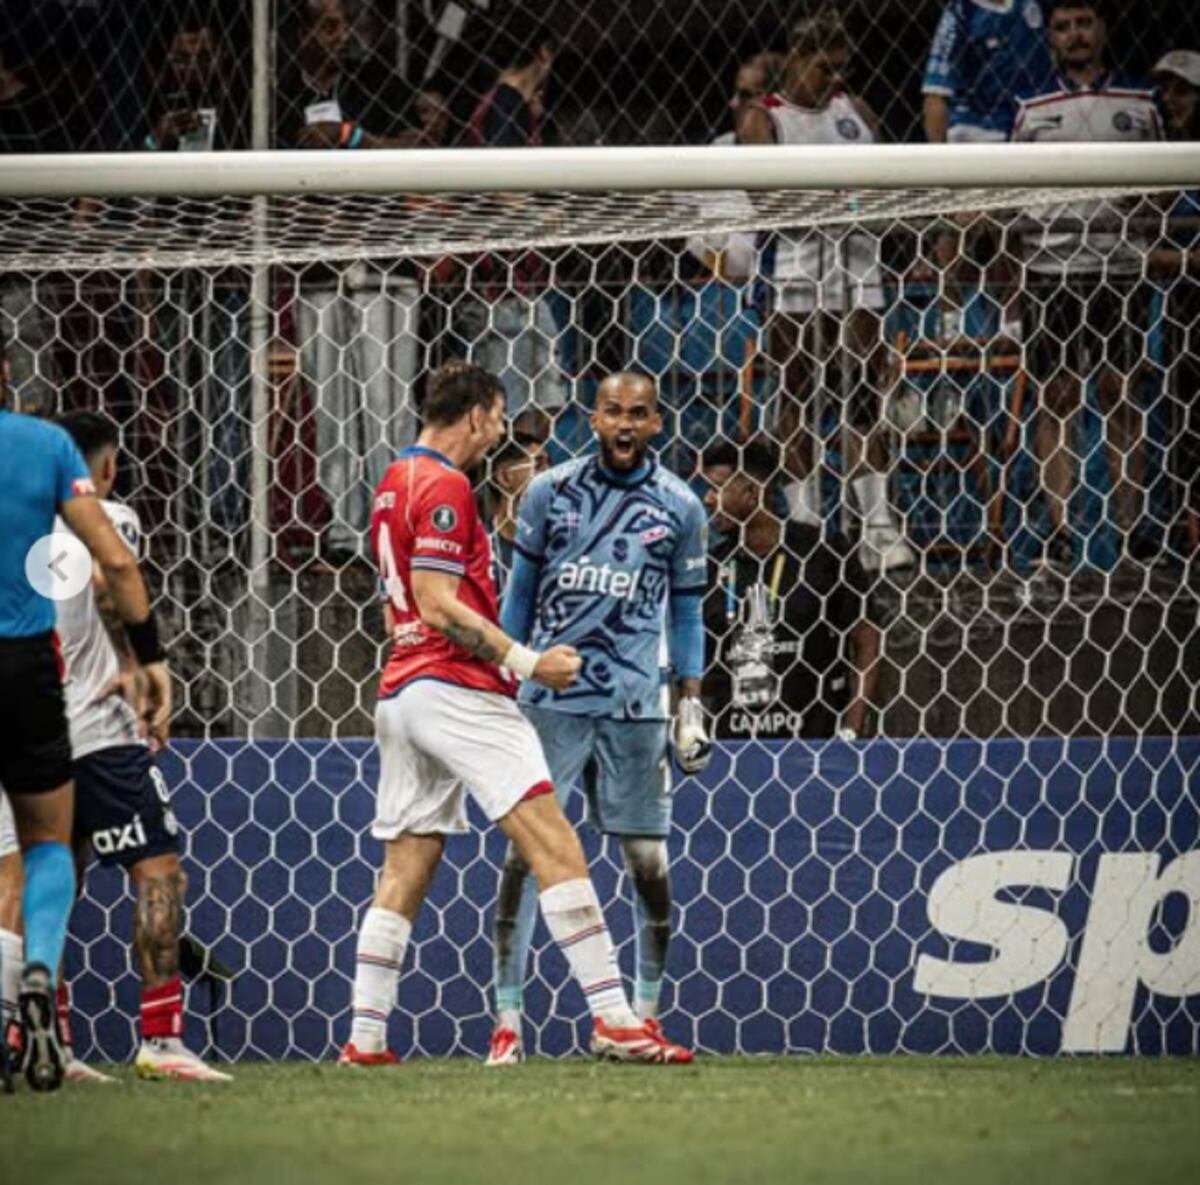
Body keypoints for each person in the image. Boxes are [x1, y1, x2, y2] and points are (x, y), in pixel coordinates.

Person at [342, 362, 692, 1067]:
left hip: (402, 691)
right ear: (475, 414)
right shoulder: (442, 484)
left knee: (406, 863)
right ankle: (616, 1018)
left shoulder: (392, 481)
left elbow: (405, 603)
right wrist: (529, 662)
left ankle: (365, 1038)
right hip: (456, 689)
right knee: (555, 840)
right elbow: (438, 600)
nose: (501, 433)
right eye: (500, 418)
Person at [485, 371, 711, 1066]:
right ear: (593, 416)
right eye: (612, 410)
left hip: (636, 707)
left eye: (637, 413)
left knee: (650, 864)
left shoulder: (679, 505)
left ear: (656, 423)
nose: (624, 423)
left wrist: (690, 699)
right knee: (524, 859)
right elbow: (518, 594)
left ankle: (640, 1017)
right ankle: (508, 1022)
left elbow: (686, 610)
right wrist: (504, 677)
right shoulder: (550, 493)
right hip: (549, 704)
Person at [0, 341, 164, 1091]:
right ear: (8, 378)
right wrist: (148, 657)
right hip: (28, 671)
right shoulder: (45, 445)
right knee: (46, 848)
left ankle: (18, 1021)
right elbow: (117, 565)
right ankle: (33, 978)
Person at [737, 9, 913, 574]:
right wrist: (841, 202)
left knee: (863, 396)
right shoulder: (764, 119)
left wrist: (843, 204)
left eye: (840, 68)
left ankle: (877, 527)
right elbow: (767, 205)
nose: (830, 80)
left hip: (860, 273)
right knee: (798, 398)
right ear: (793, 59)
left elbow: (884, 189)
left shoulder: (854, 111)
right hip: (792, 273)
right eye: (821, 68)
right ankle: (807, 524)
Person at [1011, 1, 1164, 563]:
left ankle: (1133, 529)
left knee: (1121, 394)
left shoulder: (1140, 104)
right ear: (1050, 37)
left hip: (1118, 267)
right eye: (1062, 26)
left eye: (1084, 23)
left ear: (1102, 29)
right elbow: (1007, 194)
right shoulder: (1031, 107)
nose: (1074, 35)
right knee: (1057, 398)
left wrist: (1143, 201)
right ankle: (1059, 529)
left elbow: (1165, 191)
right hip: (1051, 271)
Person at [279, 0, 423, 561]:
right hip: (317, 266)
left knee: (386, 401)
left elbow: (418, 147)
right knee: (333, 403)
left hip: (385, 263)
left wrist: (352, 137)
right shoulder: (280, 90)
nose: (341, 37)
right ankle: (345, 532)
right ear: (302, 31)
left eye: (346, 25)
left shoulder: (377, 79)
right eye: (329, 25)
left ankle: (393, 525)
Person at [700, 439, 880, 740]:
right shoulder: (713, 567)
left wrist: (851, 727)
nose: (706, 499)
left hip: (815, 744)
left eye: (716, 488)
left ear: (751, 493)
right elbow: (699, 666)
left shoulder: (823, 552)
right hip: (732, 749)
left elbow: (867, 641)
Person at [456, 13, 569, 422]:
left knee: (539, 408)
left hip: (518, 288)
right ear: (543, 52)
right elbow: (505, 193)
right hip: (501, 294)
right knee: (512, 416)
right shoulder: (505, 105)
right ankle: (511, 487)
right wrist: (550, 216)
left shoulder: (511, 107)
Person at [1149, 50, 1200, 552]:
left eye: (1182, 90)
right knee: (1184, 428)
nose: (1171, 100)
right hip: (1181, 314)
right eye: (1166, 90)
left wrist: (1173, 261)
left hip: (1187, 297)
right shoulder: (1165, 156)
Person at [684, 52, 784, 282]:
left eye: (746, 95)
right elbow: (698, 235)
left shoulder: (799, 146)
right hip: (718, 287)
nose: (734, 104)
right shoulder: (720, 148)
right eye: (735, 94)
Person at [923, 0, 1053, 143]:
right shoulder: (961, 12)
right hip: (981, 133)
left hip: (1039, 123)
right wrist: (941, 158)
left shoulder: (1036, 5)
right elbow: (936, 94)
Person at [485, 430, 549, 595]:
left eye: (550, 464)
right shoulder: (478, 543)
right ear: (505, 477)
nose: (550, 474)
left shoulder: (555, 546)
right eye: (538, 464)